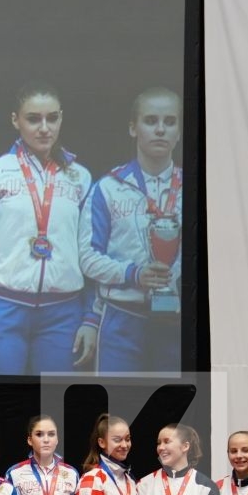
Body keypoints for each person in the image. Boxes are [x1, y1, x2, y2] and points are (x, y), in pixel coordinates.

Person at [0, 85, 101, 375]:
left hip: (64, 313)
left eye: (52, 118)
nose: (44, 128)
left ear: (61, 118)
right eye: (33, 119)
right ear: (16, 120)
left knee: (57, 410)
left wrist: (91, 317)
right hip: (2, 308)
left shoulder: (81, 177)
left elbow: (91, 254)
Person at [87, 87, 186, 373]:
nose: (160, 130)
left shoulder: (196, 189)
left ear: (179, 131)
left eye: (169, 122)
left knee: (172, 415)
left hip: (177, 322)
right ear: (133, 127)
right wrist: (135, 274)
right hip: (122, 319)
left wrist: (175, 278)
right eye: (151, 121)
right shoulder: (108, 188)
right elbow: (87, 256)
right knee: (117, 414)